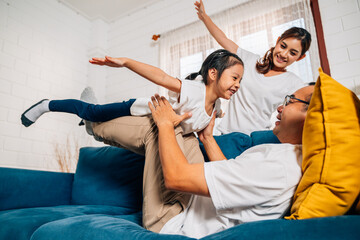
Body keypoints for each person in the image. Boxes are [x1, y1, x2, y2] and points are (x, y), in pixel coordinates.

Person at [89, 84, 315, 238]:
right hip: (192, 202)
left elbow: (176, 178)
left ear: (313, 114)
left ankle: (93, 123)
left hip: (175, 223)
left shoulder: (281, 166)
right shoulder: (288, 155)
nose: (280, 107)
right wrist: (206, 137)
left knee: (156, 129)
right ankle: (97, 121)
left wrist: (165, 124)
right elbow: (230, 174)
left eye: (290, 101)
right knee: (185, 130)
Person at [20, 49, 244, 135]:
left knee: (93, 125)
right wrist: (126, 62)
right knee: (92, 112)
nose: (237, 85)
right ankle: (46, 105)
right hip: (136, 110)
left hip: (154, 129)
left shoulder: (215, 108)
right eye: (234, 78)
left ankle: (86, 121)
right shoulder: (196, 90)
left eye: (240, 81)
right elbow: (163, 77)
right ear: (213, 74)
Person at [194, 0, 312, 135]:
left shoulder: (294, 82)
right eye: (283, 46)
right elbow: (223, 39)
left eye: (293, 53)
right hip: (227, 134)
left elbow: (305, 109)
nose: (284, 54)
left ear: (300, 57)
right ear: (278, 41)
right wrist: (204, 17)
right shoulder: (248, 60)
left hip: (256, 139)